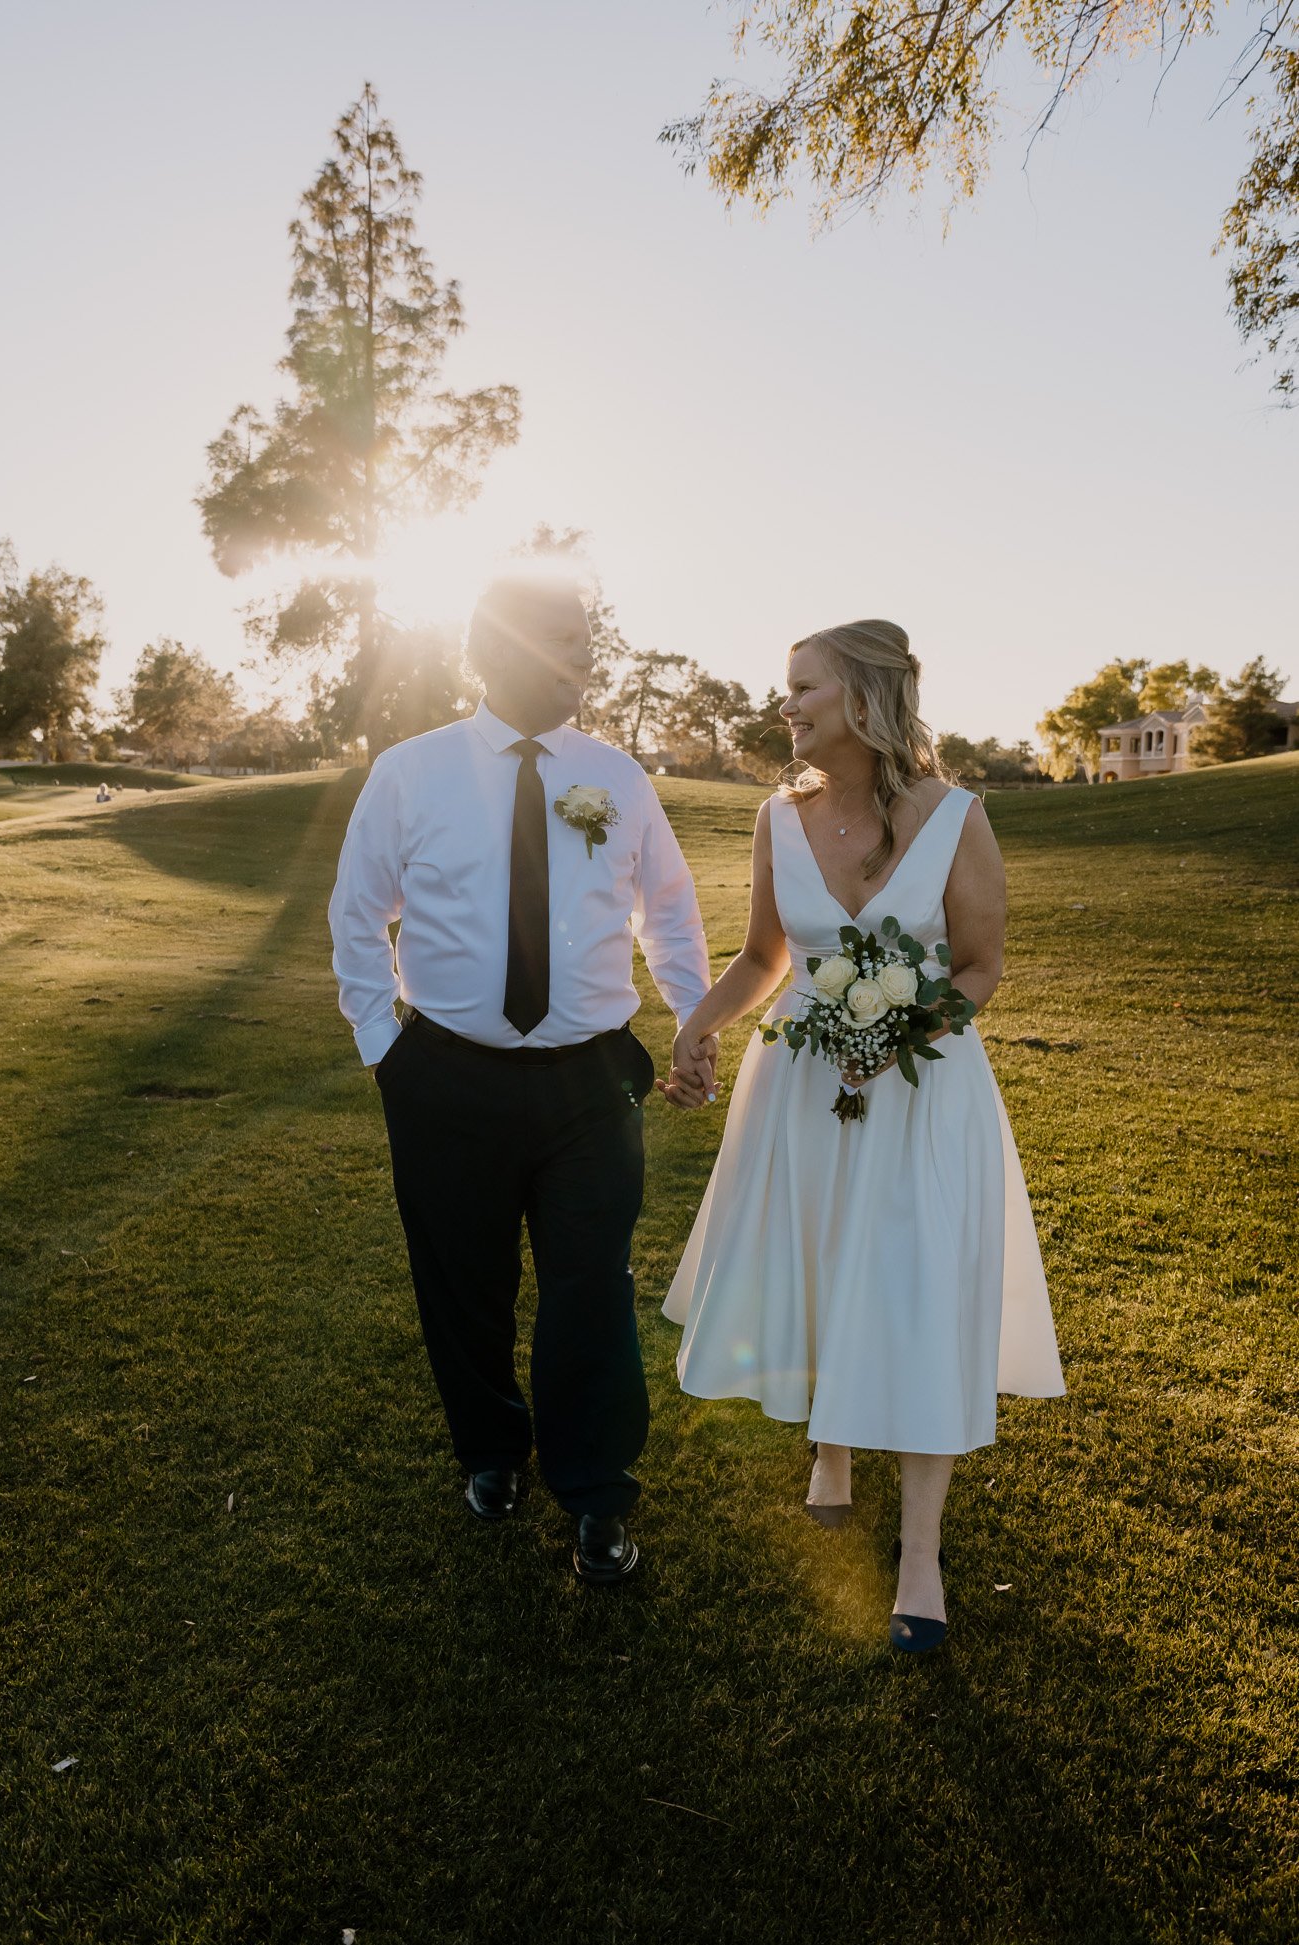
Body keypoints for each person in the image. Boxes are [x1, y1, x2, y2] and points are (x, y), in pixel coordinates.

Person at [660, 619, 1064, 1652]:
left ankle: (919, 1552)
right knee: (822, 1261)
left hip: (922, 1091)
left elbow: (977, 964)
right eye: (784, 688)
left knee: (918, 1287)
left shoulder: (957, 815)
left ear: (866, 699)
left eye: (803, 688)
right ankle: (829, 1444)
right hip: (799, 1085)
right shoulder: (774, 815)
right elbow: (764, 958)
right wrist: (698, 1023)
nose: (783, 706)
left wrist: (900, 1033)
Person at [329, 565, 712, 1584]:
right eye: (561, 644)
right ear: (490, 655)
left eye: (587, 643)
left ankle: (595, 1494)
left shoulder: (616, 778)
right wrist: (385, 1048)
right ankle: (492, 1450)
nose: (582, 662)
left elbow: (666, 909)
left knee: (592, 1285)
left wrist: (691, 1018)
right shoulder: (410, 773)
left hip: (593, 1084)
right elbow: (356, 916)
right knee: (464, 1286)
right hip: (446, 1079)